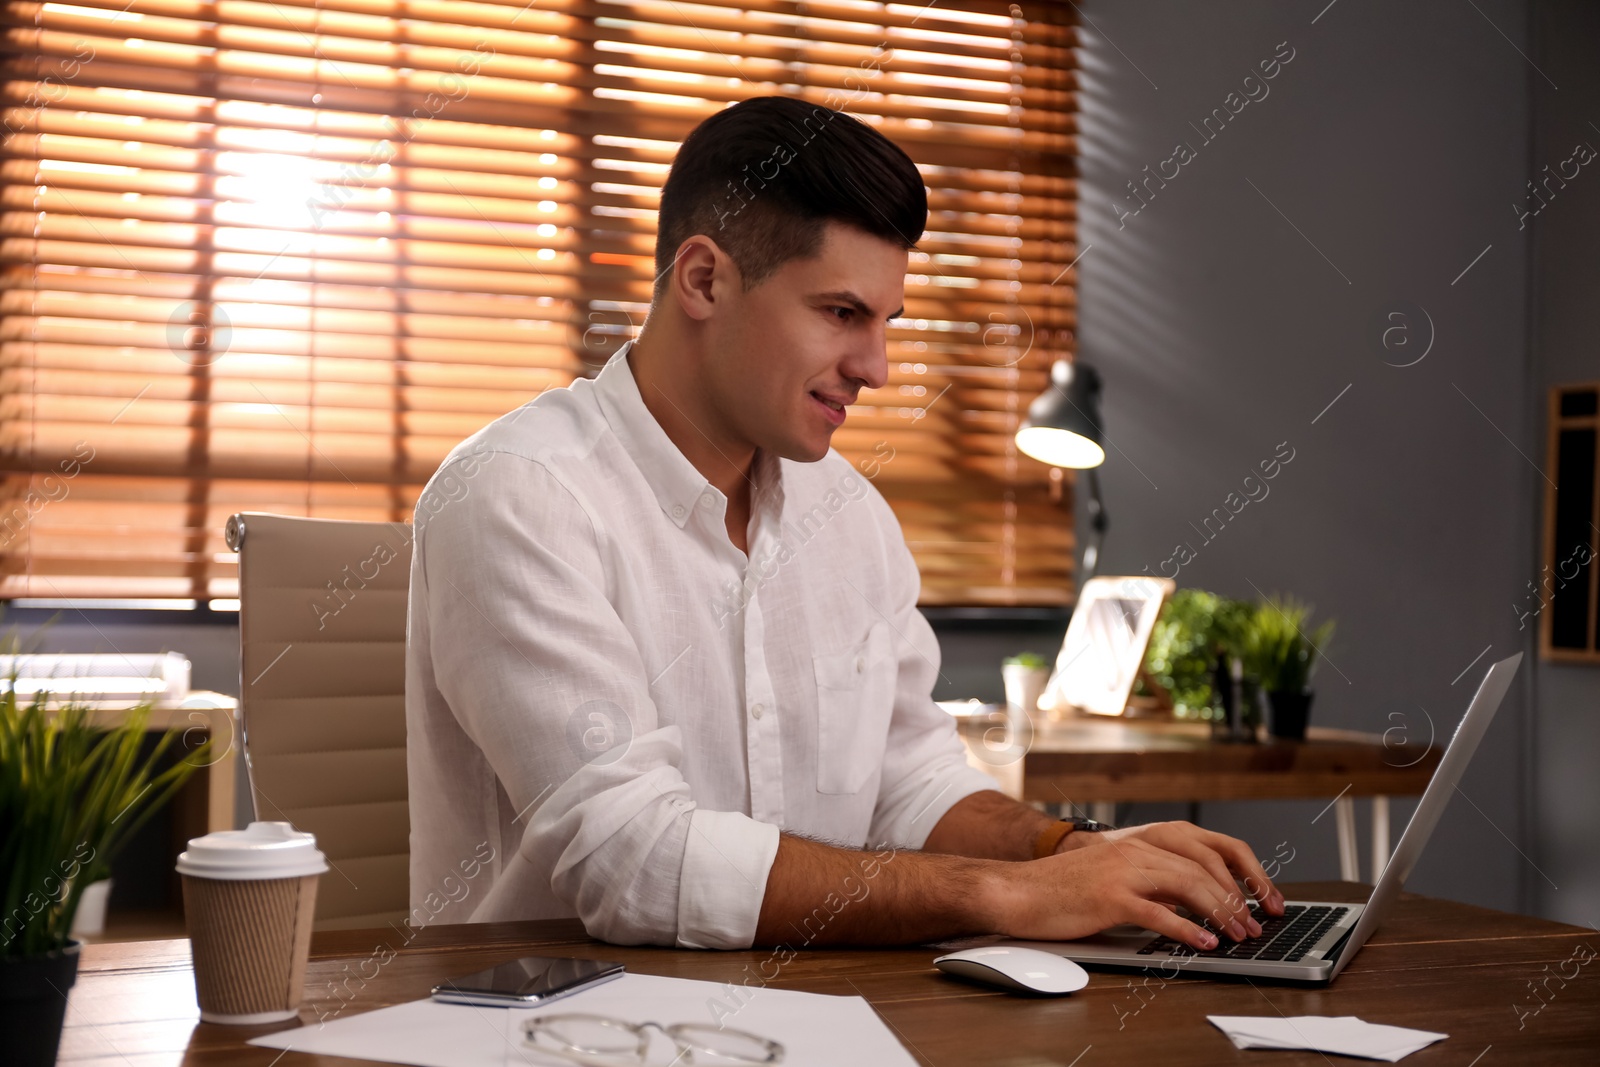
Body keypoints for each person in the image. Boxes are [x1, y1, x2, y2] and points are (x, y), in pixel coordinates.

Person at [406, 95, 1282, 951]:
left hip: (826, 1016)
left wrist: (1078, 852)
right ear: (704, 279)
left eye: (886, 321)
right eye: (841, 314)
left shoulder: (853, 518)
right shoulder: (516, 495)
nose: (877, 367)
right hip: (559, 1028)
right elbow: (632, 860)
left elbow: (913, 781)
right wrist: (1011, 892)